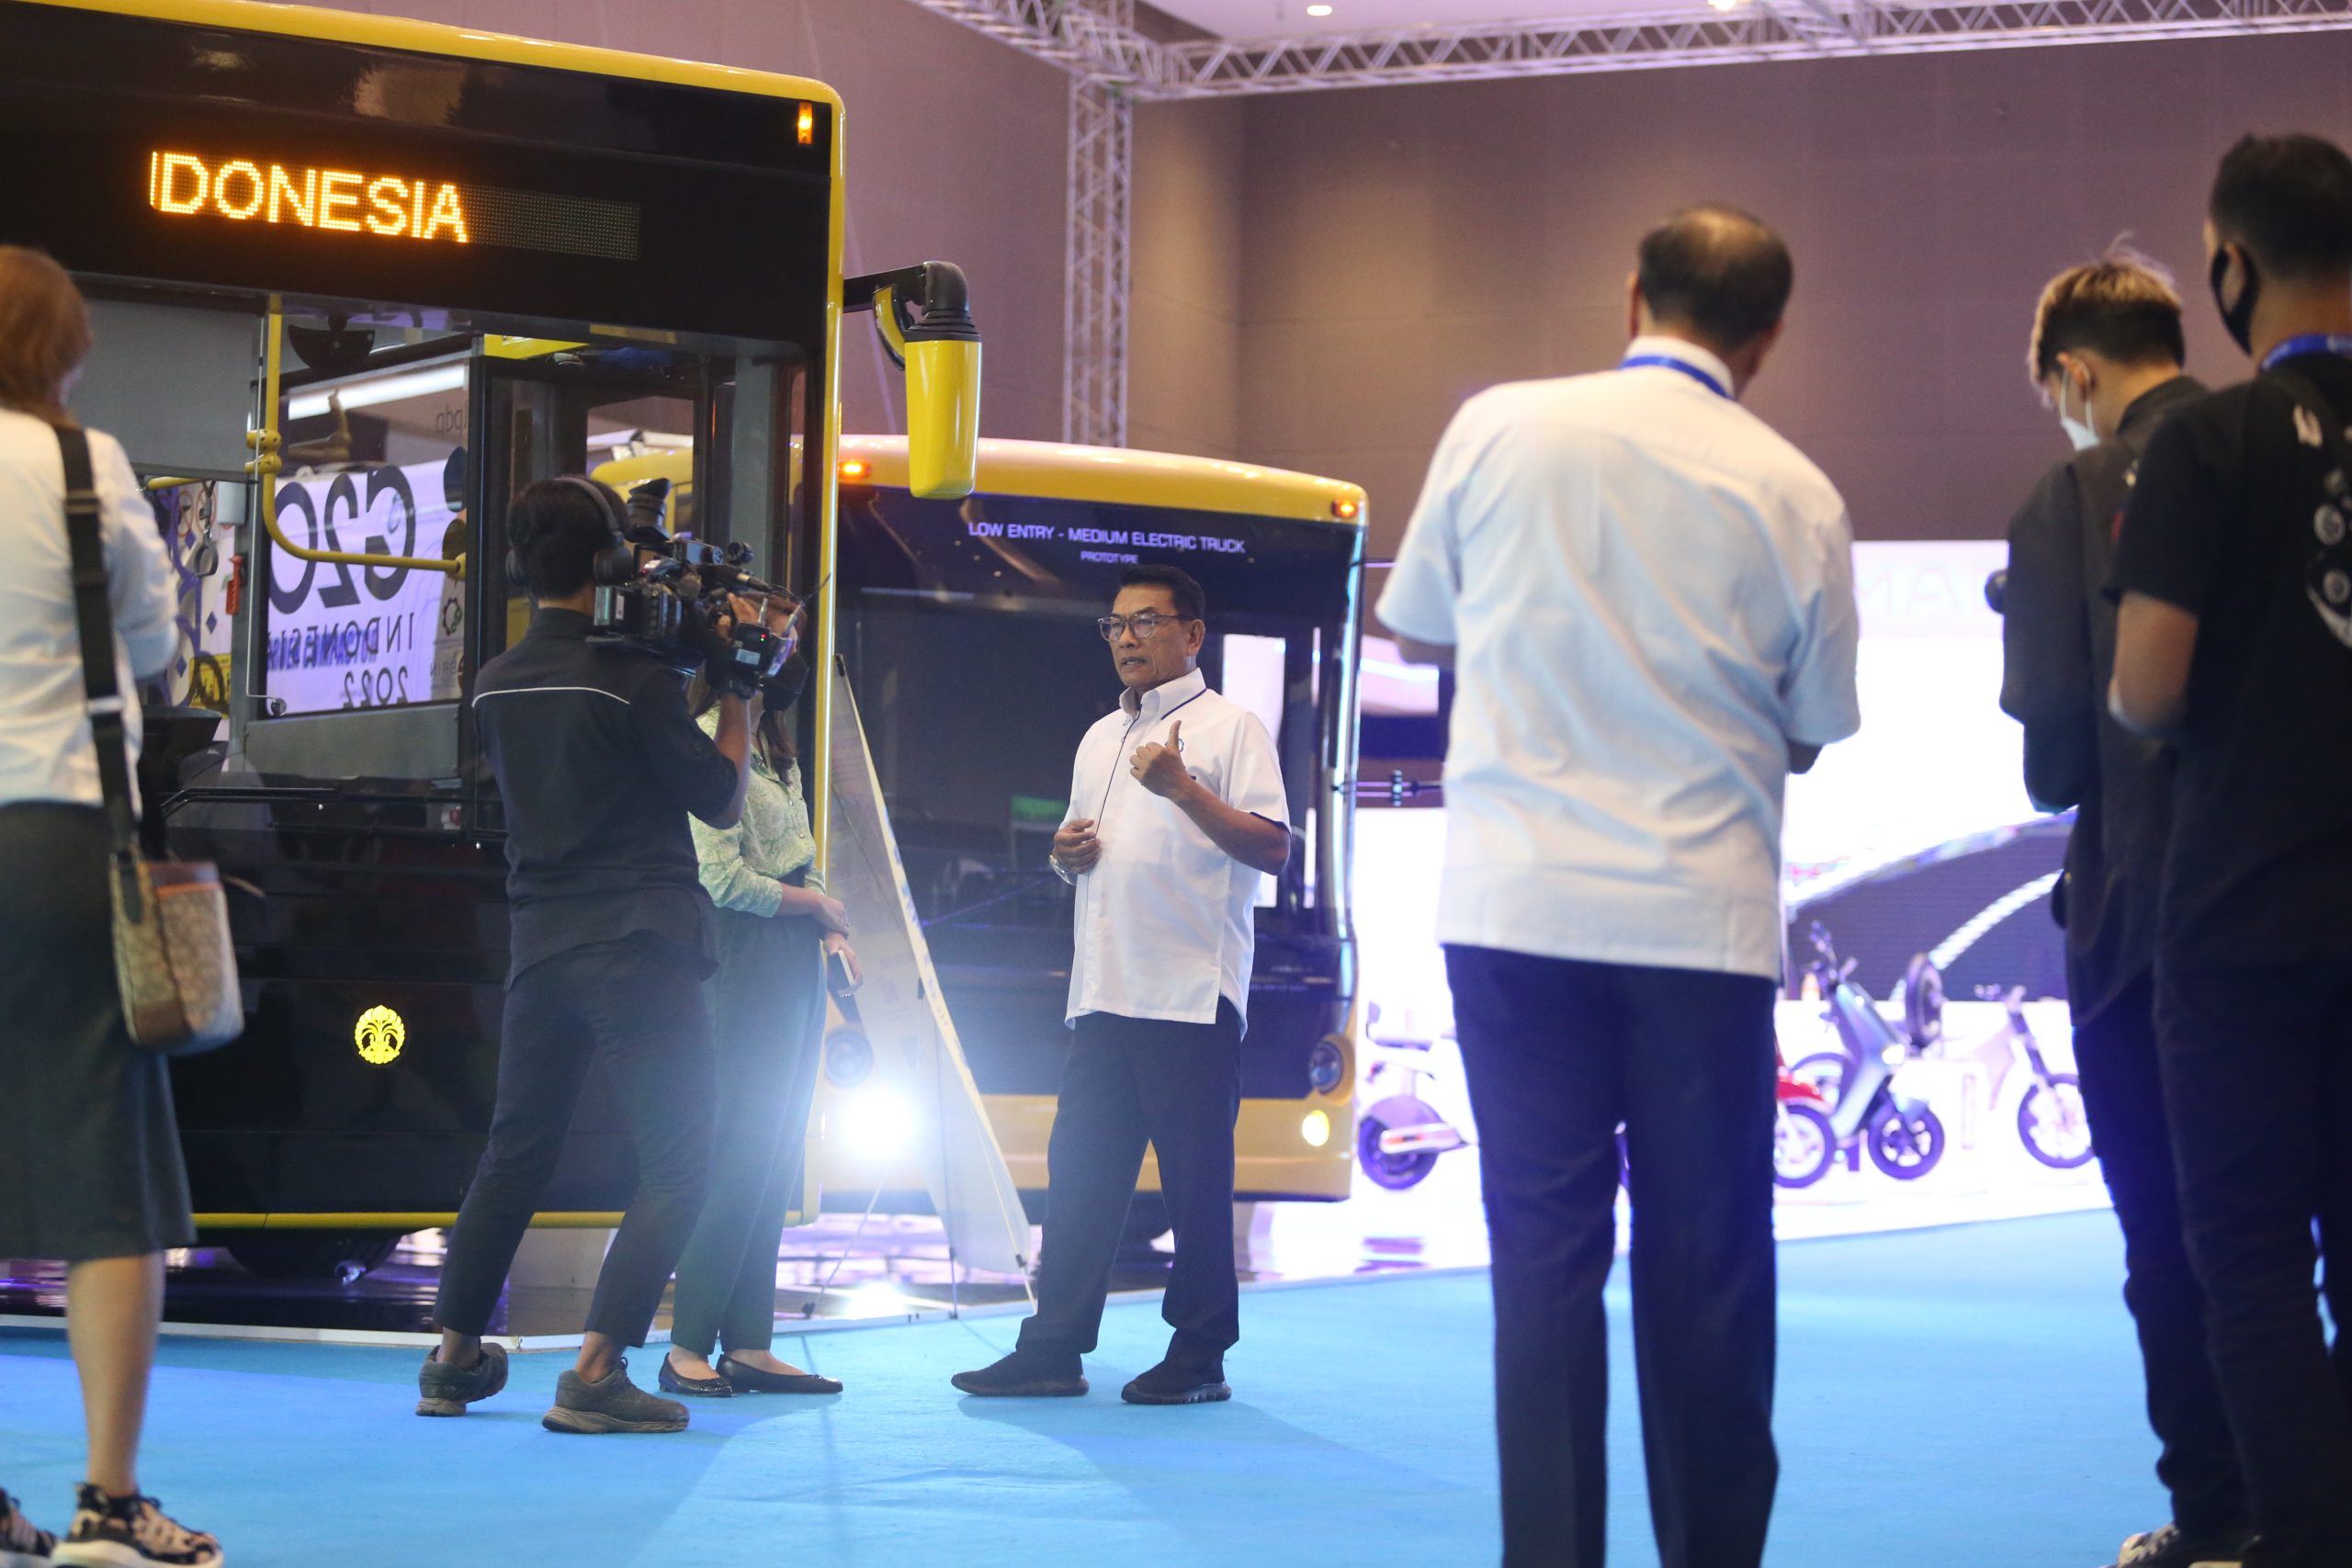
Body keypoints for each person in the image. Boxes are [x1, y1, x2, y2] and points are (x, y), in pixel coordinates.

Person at [1377, 206, 1860, 1568]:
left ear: (1631, 294)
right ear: (1769, 337)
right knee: (1708, 1268)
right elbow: (1813, 728)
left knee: (1541, 1260)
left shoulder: (1496, 426)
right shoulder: (1799, 492)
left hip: (1515, 911)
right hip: (1699, 923)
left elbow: (1417, 629)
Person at [2109, 132, 2352, 1568]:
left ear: (2232, 265)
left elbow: (2146, 689)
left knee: (2251, 1258)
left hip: (2244, 913)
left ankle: (2308, 1540)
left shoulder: (2206, 443)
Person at [1998, 252, 2249, 1568]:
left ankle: (2216, 1516)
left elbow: (2054, 755)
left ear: (2076, 372)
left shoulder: (2076, 495)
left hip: (2146, 923)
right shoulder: (2279, 457)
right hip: (2306, 906)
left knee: (2170, 1237)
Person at [415, 475, 759, 1435]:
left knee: (514, 1154)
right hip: (640, 946)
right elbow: (720, 797)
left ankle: (451, 1361)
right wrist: (735, 690)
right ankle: (596, 1373)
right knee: (681, 1162)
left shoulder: (494, 682)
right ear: (607, 562)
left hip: (541, 947)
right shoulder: (634, 680)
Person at [0, 246, 221, 1566]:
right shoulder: (85, 467)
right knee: (109, 1177)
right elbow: (154, 651)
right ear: (66, 352)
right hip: (60, 836)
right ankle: (108, 1502)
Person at [952, 563, 1289, 1406]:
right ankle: (1053, 1347)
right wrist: (1063, 856)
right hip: (1103, 992)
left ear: (1192, 634)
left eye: (1145, 621)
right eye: (1114, 625)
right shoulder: (1100, 735)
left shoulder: (1232, 727)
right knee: (1080, 1177)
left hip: (1189, 994)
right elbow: (1088, 850)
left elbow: (1273, 847)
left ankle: (1200, 1354)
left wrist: (1184, 789)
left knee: (1195, 1186)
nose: (1127, 638)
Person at [660, 600, 858, 1400]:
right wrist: (815, 905)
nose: (789, 651)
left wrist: (827, 924)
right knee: (738, 1150)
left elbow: (797, 853)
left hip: (792, 958)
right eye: (778, 636)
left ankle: (749, 1342)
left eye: (795, 637)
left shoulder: (775, 740)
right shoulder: (710, 732)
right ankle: (686, 1345)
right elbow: (719, 877)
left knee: (777, 1153)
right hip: (741, 956)